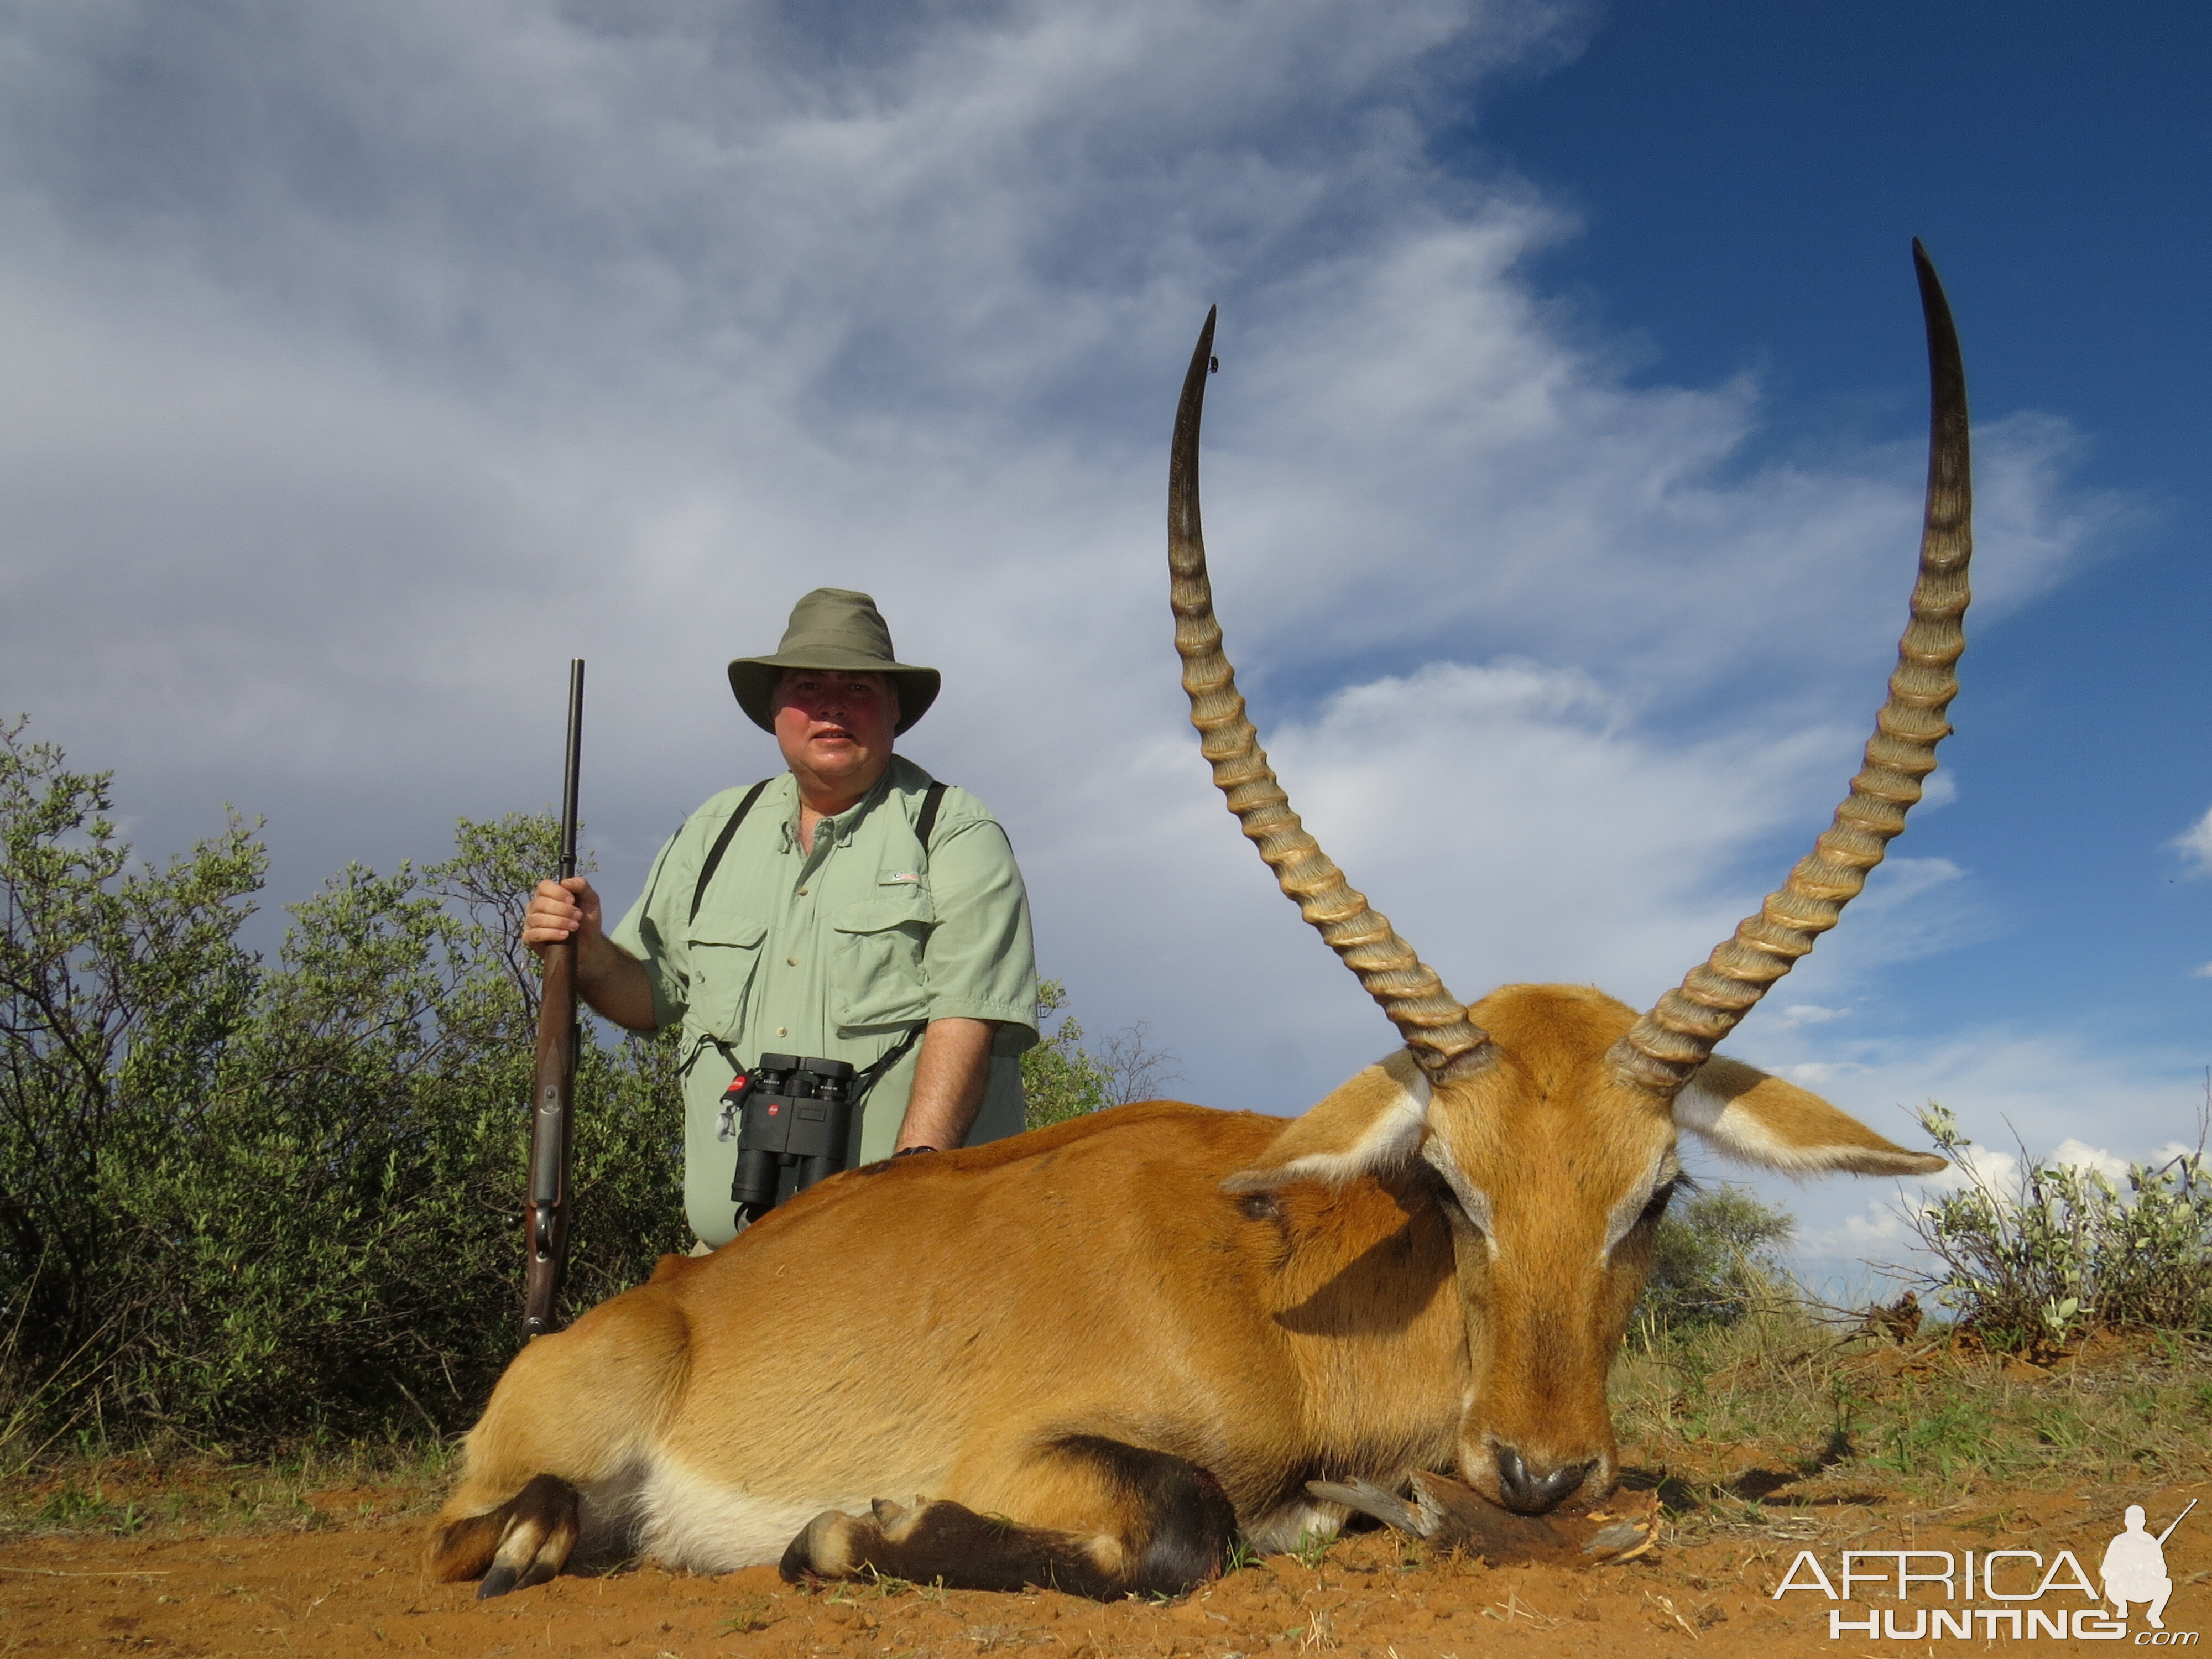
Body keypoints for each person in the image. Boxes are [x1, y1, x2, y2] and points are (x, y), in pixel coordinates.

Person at [523, 588, 1040, 1248]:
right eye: (807, 685)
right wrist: (585, 948)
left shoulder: (955, 831)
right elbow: (649, 1000)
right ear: (775, 709)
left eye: (856, 686)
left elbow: (966, 1016)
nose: (831, 705)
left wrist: (909, 1198)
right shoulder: (714, 830)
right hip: (732, 1269)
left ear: (894, 709)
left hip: (911, 1260)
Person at [2101, 1505, 2174, 1629]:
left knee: (2166, 1584)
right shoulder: (2119, 1541)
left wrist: (2146, 1565)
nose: (2135, 1524)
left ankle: (2154, 1615)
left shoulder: (2150, 1541)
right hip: (2123, 1588)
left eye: (2138, 1520)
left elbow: (2162, 1570)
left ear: (2143, 1522)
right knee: (2110, 1583)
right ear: (2126, 1522)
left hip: (2144, 1588)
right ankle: (2122, 1606)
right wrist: (2124, 1568)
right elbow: (2107, 1568)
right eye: (2132, 1520)